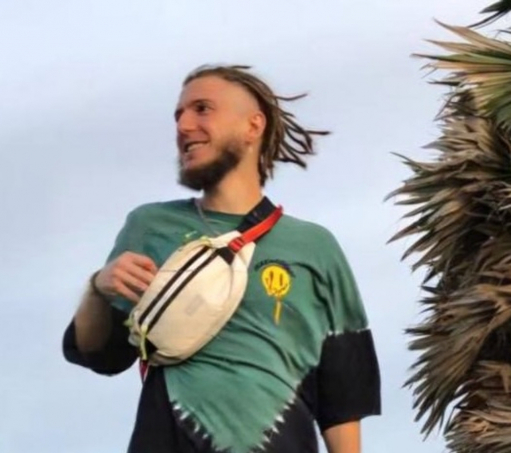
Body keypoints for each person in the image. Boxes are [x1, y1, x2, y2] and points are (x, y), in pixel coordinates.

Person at [62, 65, 381, 453]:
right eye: (178, 115)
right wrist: (98, 288)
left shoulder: (315, 246)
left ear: (253, 126)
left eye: (202, 109)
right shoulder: (150, 226)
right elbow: (101, 354)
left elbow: (342, 393)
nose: (183, 126)